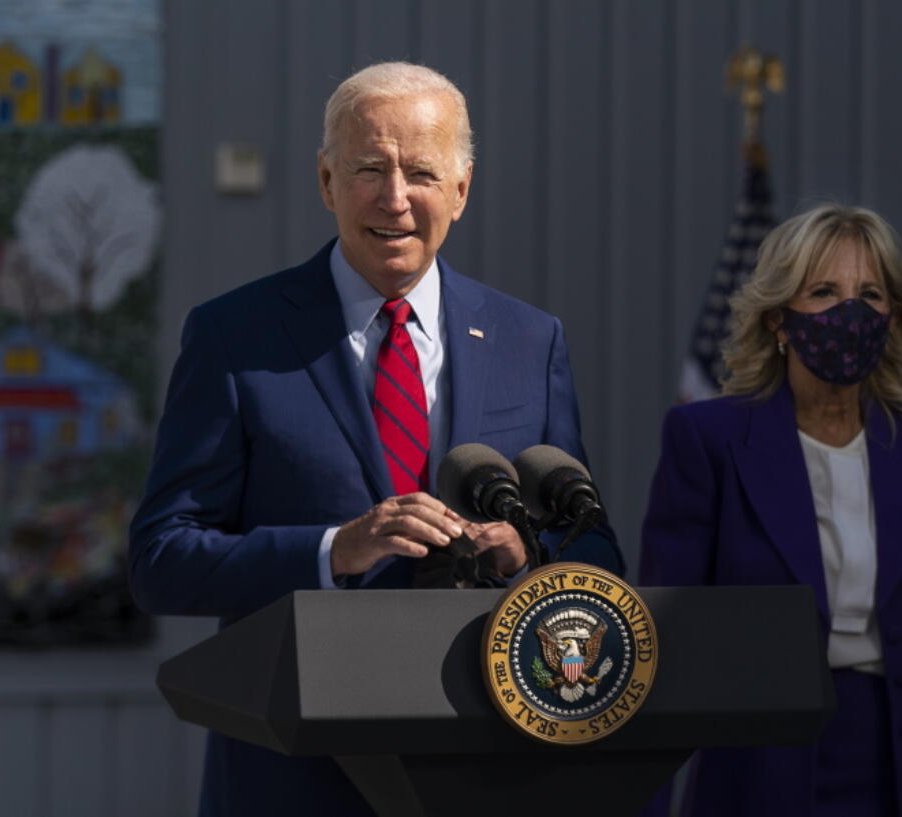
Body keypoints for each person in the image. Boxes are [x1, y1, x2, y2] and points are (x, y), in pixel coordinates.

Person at [129, 62, 622, 816]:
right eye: (369, 168)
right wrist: (335, 550)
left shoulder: (530, 340)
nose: (395, 198)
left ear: (460, 190)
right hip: (293, 775)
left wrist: (532, 558)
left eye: (421, 171)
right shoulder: (236, 335)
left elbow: (594, 552)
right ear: (327, 182)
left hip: (488, 766)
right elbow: (161, 559)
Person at [640, 203, 902, 816]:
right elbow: (667, 640)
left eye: (870, 294)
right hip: (761, 774)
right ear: (779, 320)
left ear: (893, 319)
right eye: (824, 291)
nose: (851, 312)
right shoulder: (708, 440)